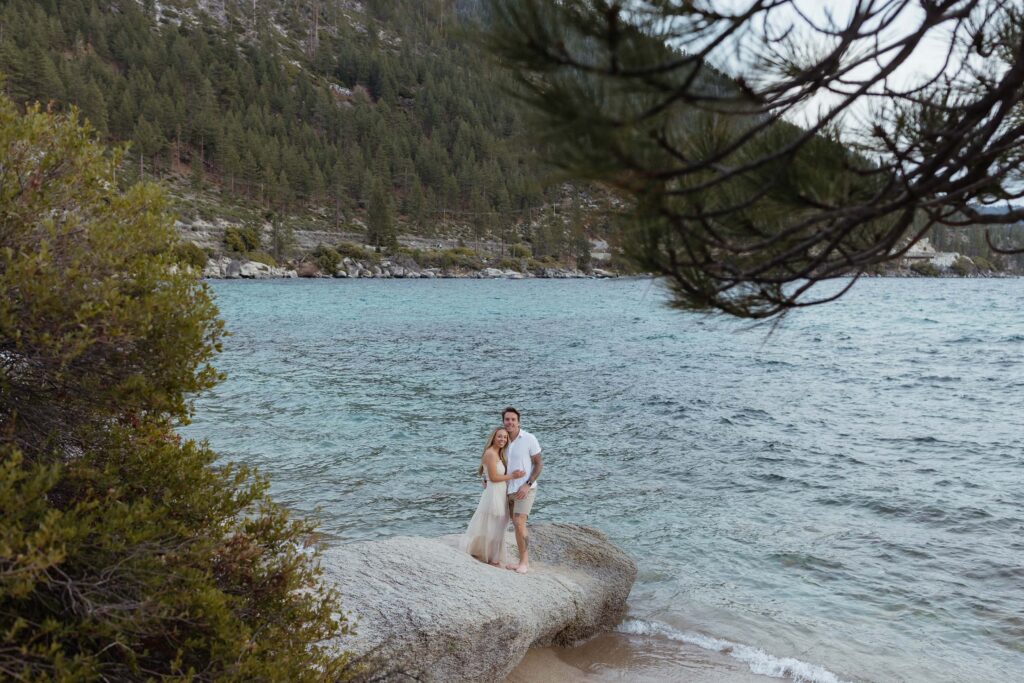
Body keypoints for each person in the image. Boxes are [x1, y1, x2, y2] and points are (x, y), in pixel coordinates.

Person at [460, 427, 525, 567]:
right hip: (495, 492)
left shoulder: (499, 453)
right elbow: (494, 477)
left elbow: (490, 475)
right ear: (493, 438)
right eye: (499, 437)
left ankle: (493, 557)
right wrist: (513, 476)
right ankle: (491, 558)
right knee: (493, 525)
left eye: (505, 437)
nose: (502, 439)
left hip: (501, 491)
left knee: (499, 526)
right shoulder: (490, 453)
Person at [502, 406, 542, 574]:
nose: (510, 422)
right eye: (507, 419)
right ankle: (519, 561)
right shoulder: (502, 439)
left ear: (518, 422)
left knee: (519, 523)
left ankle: (524, 563)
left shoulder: (529, 439)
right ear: (503, 421)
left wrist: (527, 483)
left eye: (513, 419)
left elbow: (539, 464)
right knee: (514, 524)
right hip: (506, 489)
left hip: (525, 489)